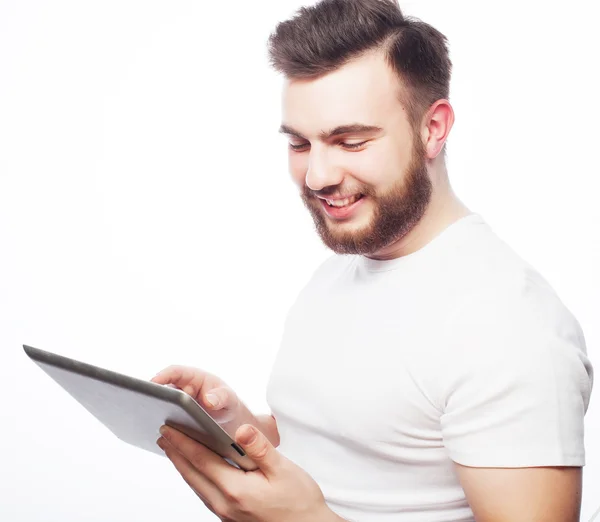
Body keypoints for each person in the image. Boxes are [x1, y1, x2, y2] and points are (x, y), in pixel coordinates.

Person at [151, 0, 594, 520]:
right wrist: (235, 426)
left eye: (351, 141)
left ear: (432, 128)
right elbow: (355, 457)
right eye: (299, 143)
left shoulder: (510, 328)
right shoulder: (347, 264)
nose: (316, 176)